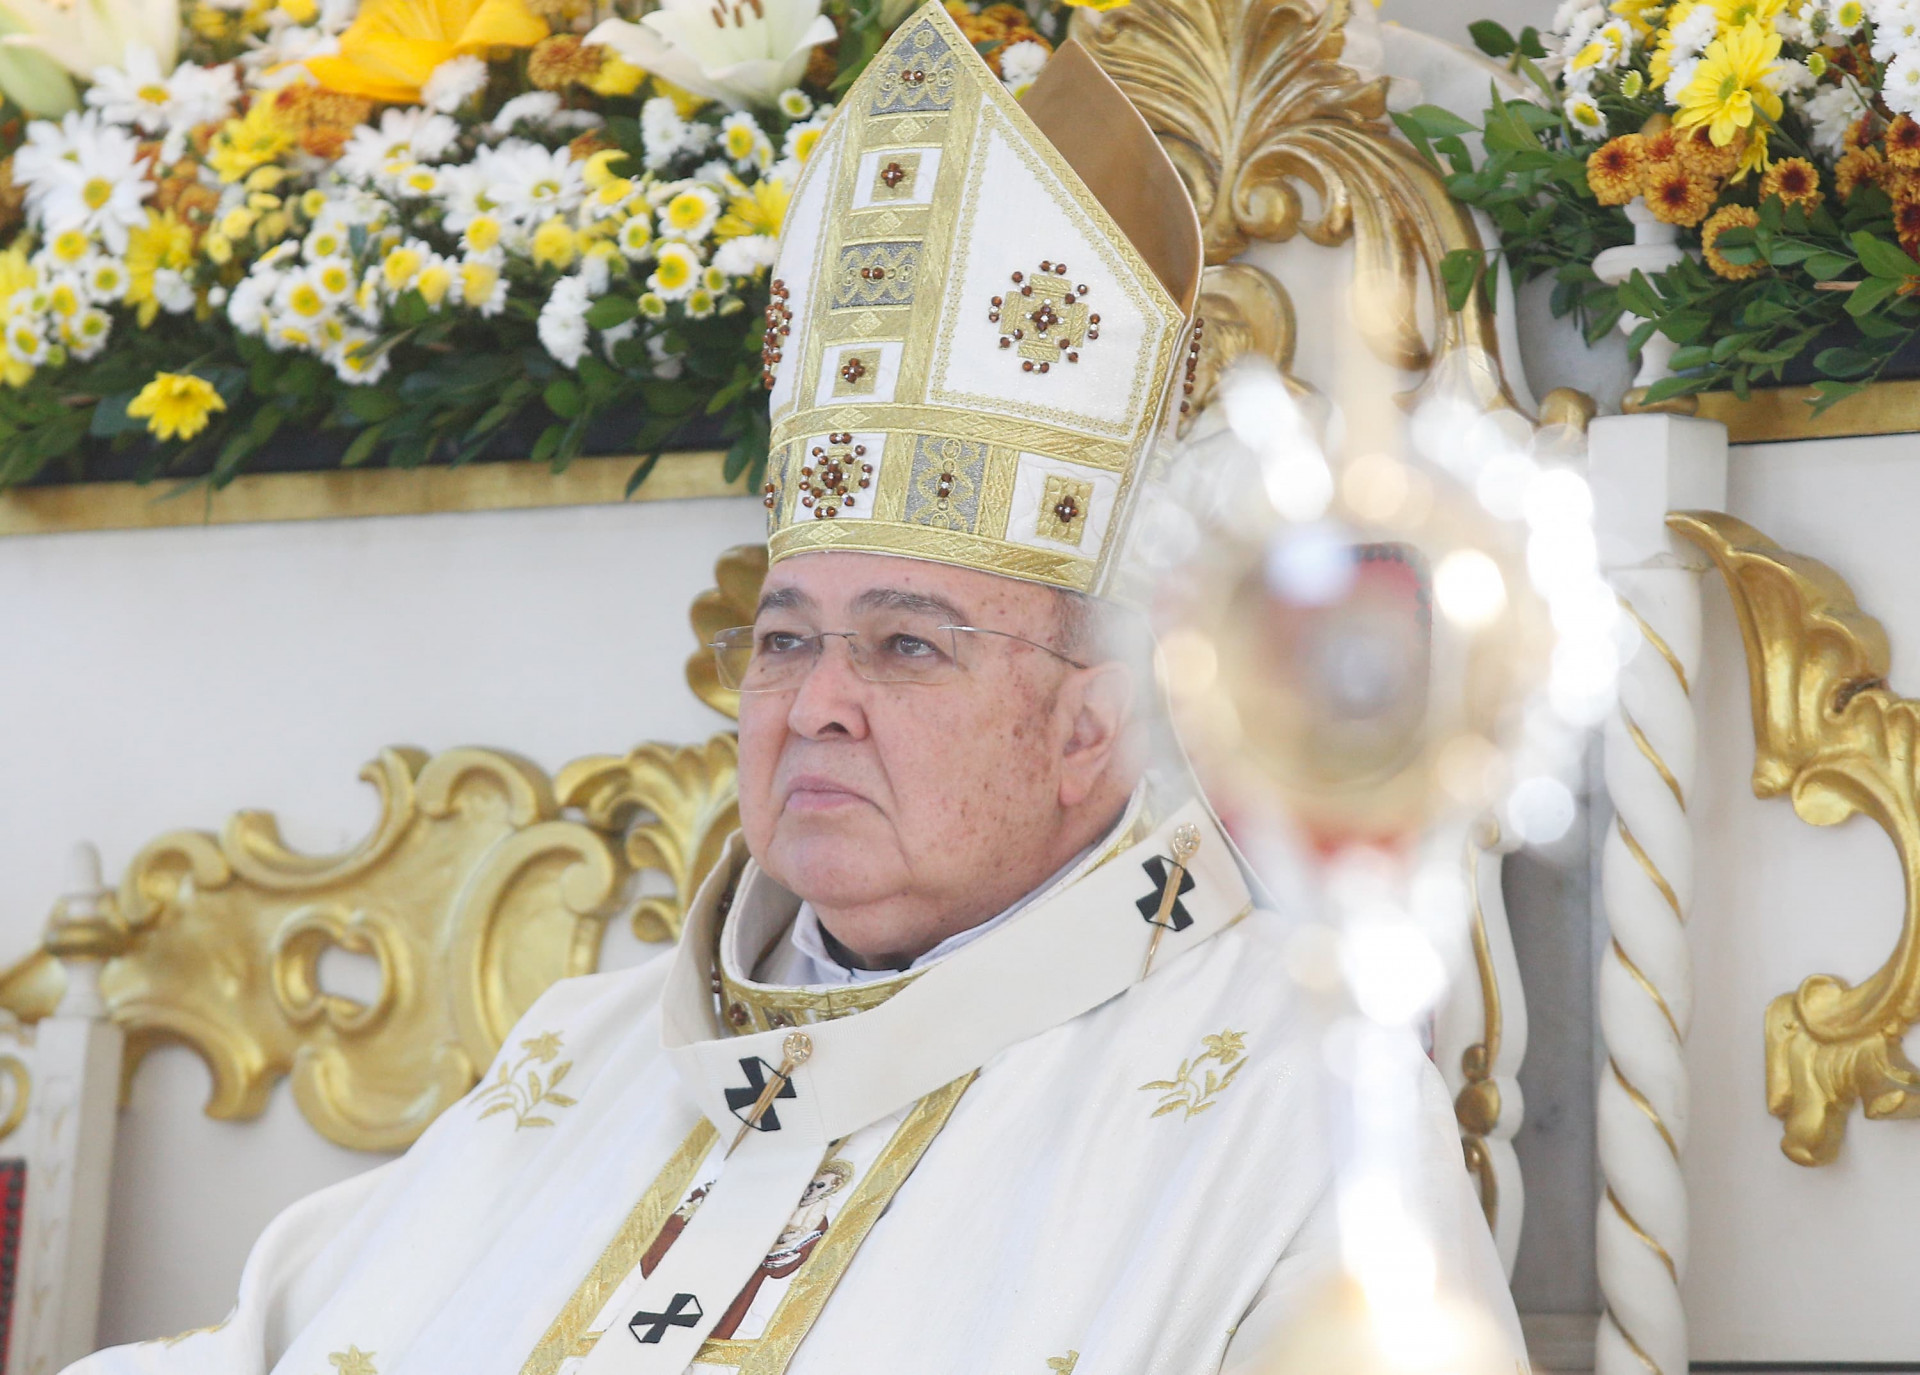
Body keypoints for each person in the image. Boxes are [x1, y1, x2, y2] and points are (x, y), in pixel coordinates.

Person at [65, 6, 1525, 1373]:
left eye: (904, 645)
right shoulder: (590, 1046)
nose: (814, 703)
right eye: (783, 640)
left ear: (1096, 721)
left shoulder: (1288, 1093)